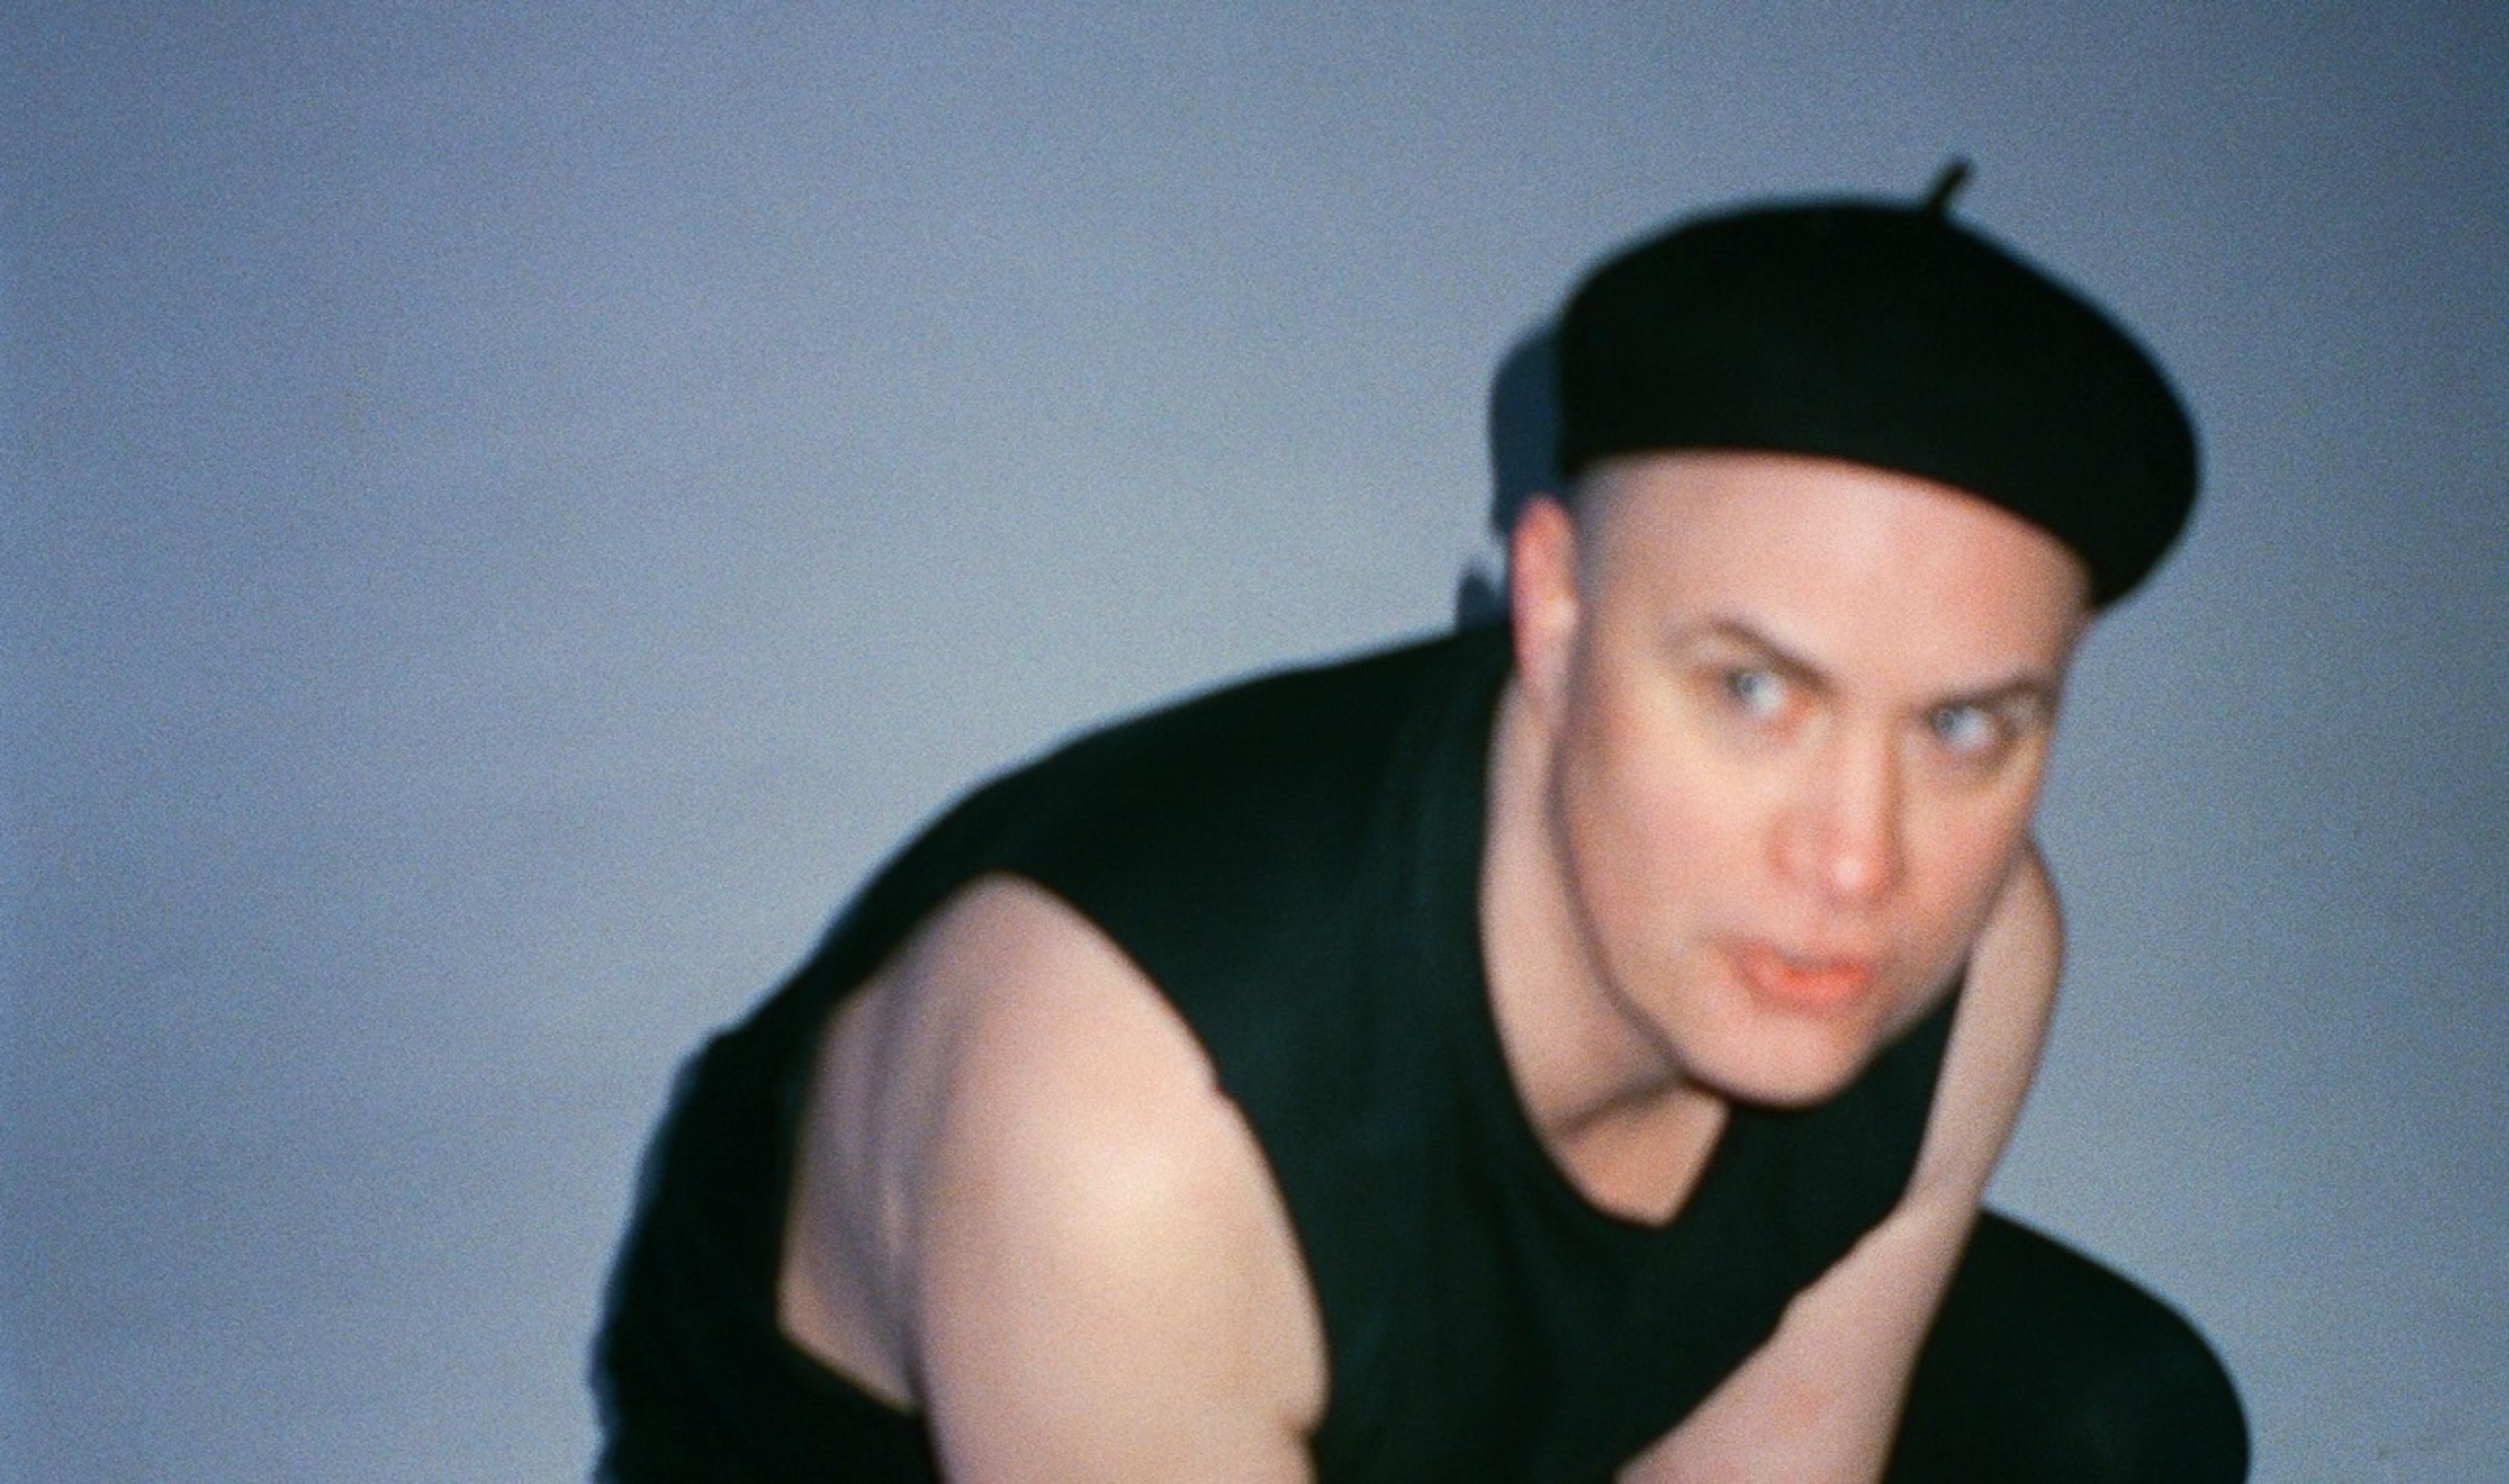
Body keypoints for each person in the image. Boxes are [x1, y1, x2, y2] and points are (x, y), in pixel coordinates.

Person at [595, 177, 2250, 1481]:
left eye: (1962, 727)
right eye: (1754, 691)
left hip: (1429, 1393)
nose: (1856, 866)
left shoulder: (1979, 949)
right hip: (1044, 1416)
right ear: (1554, 609)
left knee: (2109, 1421)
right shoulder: (1129, 1132)